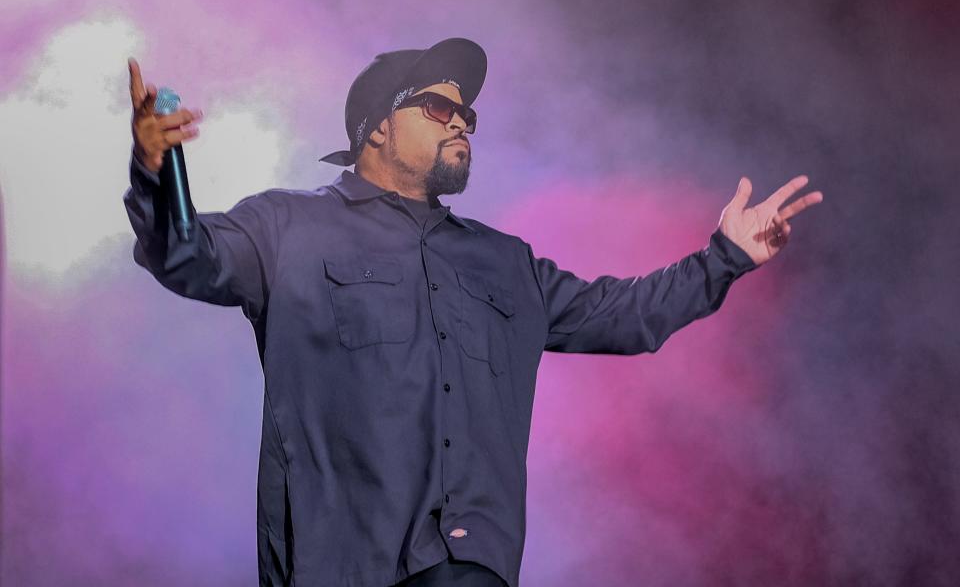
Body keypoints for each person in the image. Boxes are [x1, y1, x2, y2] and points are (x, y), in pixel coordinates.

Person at [123, 37, 823, 587]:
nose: (461, 121)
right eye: (437, 107)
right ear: (375, 130)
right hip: (337, 563)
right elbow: (186, 256)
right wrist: (155, 169)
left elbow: (625, 315)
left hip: (467, 564)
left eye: (468, 115)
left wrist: (723, 256)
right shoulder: (287, 228)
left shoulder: (506, 263)